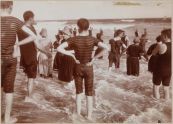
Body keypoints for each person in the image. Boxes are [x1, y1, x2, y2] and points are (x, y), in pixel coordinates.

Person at [57, 18, 109, 120]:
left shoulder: (74, 39)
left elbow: (59, 48)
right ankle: (89, 117)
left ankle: (78, 115)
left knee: (78, 92)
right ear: (88, 27)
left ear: (78, 27)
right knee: (89, 92)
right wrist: (94, 58)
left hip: (78, 66)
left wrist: (71, 55)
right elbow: (106, 48)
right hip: (89, 67)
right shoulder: (92, 39)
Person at [1, 1, 38, 123]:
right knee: (9, 89)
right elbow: (33, 36)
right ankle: (6, 119)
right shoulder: (16, 21)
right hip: (11, 59)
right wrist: (17, 43)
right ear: (11, 7)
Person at [18, 11, 50, 98]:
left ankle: (27, 95)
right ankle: (29, 98)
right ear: (31, 18)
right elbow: (37, 44)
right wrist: (46, 52)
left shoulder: (20, 28)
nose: (34, 20)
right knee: (31, 79)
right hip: (31, 56)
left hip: (23, 56)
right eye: (33, 18)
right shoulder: (31, 29)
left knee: (27, 77)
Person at [151, 29, 171, 100]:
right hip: (169, 70)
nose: (161, 37)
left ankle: (156, 103)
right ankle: (166, 102)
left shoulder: (161, 46)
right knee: (166, 88)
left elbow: (153, 53)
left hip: (159, 70)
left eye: (161, 35)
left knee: (156, 87)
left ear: (165, 36)